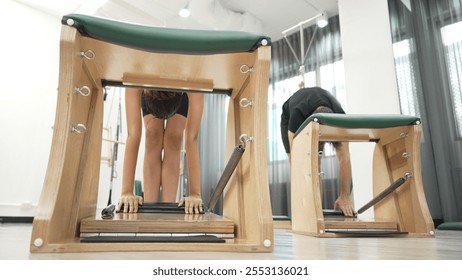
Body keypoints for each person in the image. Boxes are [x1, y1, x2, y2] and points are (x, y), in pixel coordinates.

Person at [116, 88, 204, 214]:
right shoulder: (135, 81)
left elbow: (191, 138)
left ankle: (168, 210)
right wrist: (126, 192)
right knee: (152, 134)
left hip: (182, 80)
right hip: (149, 82)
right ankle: (150, 210)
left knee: (174, 137)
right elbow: (133, 135)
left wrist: (195, 194)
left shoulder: (194, 84)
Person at [280, 87, 355, 217]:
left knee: (341, 152)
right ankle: (311, 206)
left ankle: (319, 207)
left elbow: (345, 158)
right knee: (302, 162)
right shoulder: (297, 115)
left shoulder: (340, 116)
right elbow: (296, 159)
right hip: (290, 115)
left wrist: (345, 196)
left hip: (317, 109)